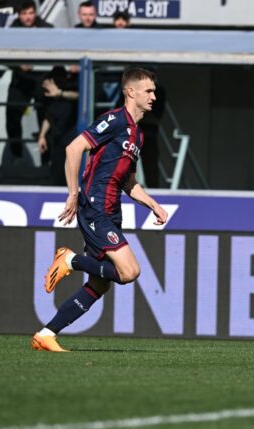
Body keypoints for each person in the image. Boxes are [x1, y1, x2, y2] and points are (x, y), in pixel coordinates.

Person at [32, 67, 168, 352]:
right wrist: (72, 193)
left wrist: (153, 205)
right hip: (96, 208)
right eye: (149, 91)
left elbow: (128, 180)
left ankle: (46, 334)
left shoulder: (137, 135)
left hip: (111, 211)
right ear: (131, 92)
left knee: (99, 284)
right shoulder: (115, 120)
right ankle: (71, 260)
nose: (154, 96)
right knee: (129, 271)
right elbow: (74, 148)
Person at [6, 1, 52, 160]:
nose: (28, 17)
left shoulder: (47, 28)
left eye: (31, 13)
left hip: (41, 79)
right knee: (11, 115)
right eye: (24, 14)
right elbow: (3, 53)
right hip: (20, 79)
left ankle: (47, 159)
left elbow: (55, 51)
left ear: (35, 13)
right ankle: (16, 154)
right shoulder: (12, 30)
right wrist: (19, 65)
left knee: (45, 118)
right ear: (19, 14)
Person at [38, 66, 78, 185]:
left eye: (60, 77)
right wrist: (42, 136)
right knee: (57, 173)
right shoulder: (50, 95)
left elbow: (79, 96)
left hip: (74, 140)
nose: (58, 80)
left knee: (72, 174)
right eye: (55, 77)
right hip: (57, 140)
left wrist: (60, 93)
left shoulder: (71, 89)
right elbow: (49, 116)